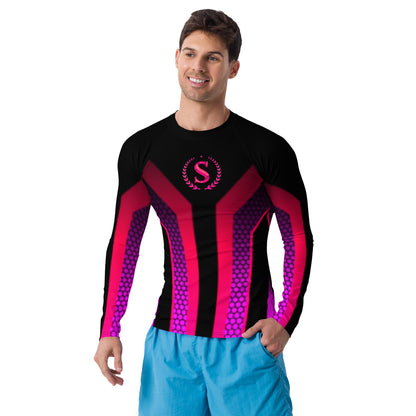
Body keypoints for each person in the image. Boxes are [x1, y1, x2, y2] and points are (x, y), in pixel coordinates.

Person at [94, 9, 313, 416]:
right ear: (176, 57)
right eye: (191, 54)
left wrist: (286, 320)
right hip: (170, 347)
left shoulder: (266, 149)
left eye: (213, 57)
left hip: (246, 344)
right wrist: (109, 328)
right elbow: (125, 242)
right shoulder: (142, 150)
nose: (198, 66)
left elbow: (297, 237)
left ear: (233, 68)